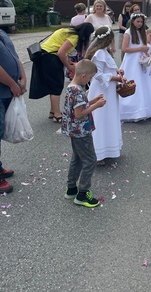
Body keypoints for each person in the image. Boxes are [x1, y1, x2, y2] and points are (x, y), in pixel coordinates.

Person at [62, 59, 106, 208]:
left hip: (74, 131)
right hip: (81, 131)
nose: (90, 80)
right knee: (90, 160)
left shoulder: (72, 88)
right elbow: (79, 114)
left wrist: (94, 100)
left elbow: (79, 105)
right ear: (83, 76)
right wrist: (97, 106)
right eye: (90, 77)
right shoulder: (78, 91)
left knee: (78, 158)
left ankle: (71, 188)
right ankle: (82, 194)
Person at [29, 23, 94, 123]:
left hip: (44, 56)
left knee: (52, 85)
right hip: (51, 58)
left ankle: (52, 111)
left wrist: (69, 62)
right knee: (56, 86)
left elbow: (62, 49)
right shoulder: (75, 37)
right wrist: (68, 66)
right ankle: (57, 114)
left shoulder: (66, 30)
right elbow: (61, 52)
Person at [85, 26, 123, 165]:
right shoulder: (99, 53)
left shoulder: (105, 52)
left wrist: (118, 72)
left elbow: (108, 69)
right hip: (101, 90)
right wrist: (114, 78)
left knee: (108, 117)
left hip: (108, 89)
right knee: (101, 119)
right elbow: (97, 74)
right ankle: (98, 152)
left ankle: (108, 148)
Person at [0, 29, 27, 194]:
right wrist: (12, 84)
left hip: (6, 92)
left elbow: (15, 56)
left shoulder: (2, 32)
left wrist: (22, 78)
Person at [119, 13, 151, 122]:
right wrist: (140, 48)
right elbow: (125, 49)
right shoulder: (128, 33)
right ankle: (130, 109)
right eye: (138, 21)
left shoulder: (142, 32)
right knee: (132, 82)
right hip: (131, 61)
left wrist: (147, 54)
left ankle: (144, 108)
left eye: (141, 22)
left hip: (141, 60)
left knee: (143, 83)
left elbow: (144, 47)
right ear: (133, 21)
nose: (140, 24)